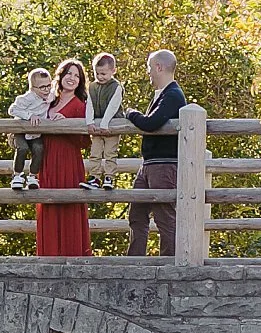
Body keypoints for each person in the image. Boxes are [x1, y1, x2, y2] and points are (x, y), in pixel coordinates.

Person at [124, 48, 186, 256]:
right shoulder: (161, 95)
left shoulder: (173, 95)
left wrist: (131, 113)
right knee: (137, 214)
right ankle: (135, 261)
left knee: (164, 216)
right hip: (149, 164)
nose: (148, 72)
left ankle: (169, 262)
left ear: (159, 67)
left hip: (164, 163)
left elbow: (151, 123)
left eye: (150, 68)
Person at [34, 56, 93, 257]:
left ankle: (74, 254)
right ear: (61, 76)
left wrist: (66, 124)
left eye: (77, 76)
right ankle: (48, 255)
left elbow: (86, 142)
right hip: (48, 160)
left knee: (70, 206)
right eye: (69, 73)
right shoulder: (48, 101)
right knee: (48, 205)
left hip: (69, 161)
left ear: (81, 82)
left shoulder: (80, 105)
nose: (72, 78)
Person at [81, 52, 126, 189]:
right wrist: (90, 122)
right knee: (95, 153)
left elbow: (113, 106)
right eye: (97, 74)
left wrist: (105, 124)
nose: (100, 77)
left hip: (111, 124)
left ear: (113, 71)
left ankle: (109, 177)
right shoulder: (92, 87)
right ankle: (94, 177)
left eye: (104, 74)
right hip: (97, 124)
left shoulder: (116, 87)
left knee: (110, 153)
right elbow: (89, 105)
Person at [7, 67, 53, 190]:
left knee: (38, 149)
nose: (47, 89)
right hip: (21, 130)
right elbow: (12, 109)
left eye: (49, 85)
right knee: (22, 148)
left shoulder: (50, 95)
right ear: (33, 88)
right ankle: (17, 175)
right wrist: (29, 116)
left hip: (35, 132)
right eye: (42, 87)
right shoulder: (27, 98)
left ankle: (32, 176)